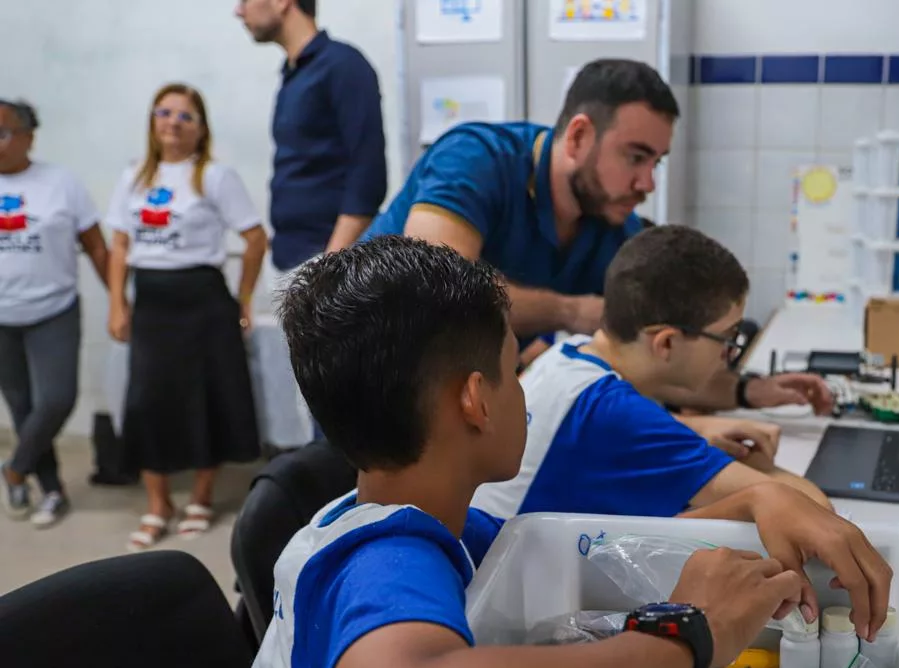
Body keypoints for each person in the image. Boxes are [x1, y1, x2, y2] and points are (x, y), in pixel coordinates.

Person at [212, 236, 891, 668]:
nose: (527, 401)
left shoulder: (430, 521)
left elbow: (574, 555)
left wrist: (758, 499)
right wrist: (686, 635)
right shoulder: (382, 561)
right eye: (514, 373)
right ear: (476, 400)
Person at [365, 58, 833, 427]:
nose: (648, 182)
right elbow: (434, 296)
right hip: (374, 378)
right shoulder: (476, 158)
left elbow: (656, 358)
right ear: (579, 136)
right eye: (635, 157)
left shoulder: (614, 229)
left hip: (462, 401)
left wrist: (747, 391)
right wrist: (570, 311)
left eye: (658, 163)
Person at [471, 224, 831, 523]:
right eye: (726, 337)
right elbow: (812, 514)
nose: (728, 353)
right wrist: (765, 469)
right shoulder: (614, 413)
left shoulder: (571, 357)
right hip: (503, 596)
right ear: (667, 344)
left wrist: (697, 430)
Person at [106, 83, 267, 551]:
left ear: (201, 128)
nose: (173, 122)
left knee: (204, 396)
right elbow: (119, 244)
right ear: (153, 121)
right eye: (164, 112)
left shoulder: (214, 176)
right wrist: (118, 303)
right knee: (146, 400)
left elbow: (256, 239)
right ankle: (158, 504)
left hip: (203, 302)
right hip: (152, 303)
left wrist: (243, 298)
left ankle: (200, 496)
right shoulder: (134, 177)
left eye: (185, 116)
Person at [0, 99, 110, 527]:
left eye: (4, 132)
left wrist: (121, 299)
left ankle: (13, 468)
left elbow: (97, 246)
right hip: (2, 318)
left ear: (29, 136)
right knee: (23, 408)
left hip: (53, 310)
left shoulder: (61, 183)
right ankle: (52, 491)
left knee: (57, 399)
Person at [235, 0, 387, 270]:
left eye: (245, 1)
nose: (238, 11)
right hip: (290, 257)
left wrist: (330, 265)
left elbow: (368, 175)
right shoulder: (292, 74)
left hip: (328, 259)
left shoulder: (343, 65)